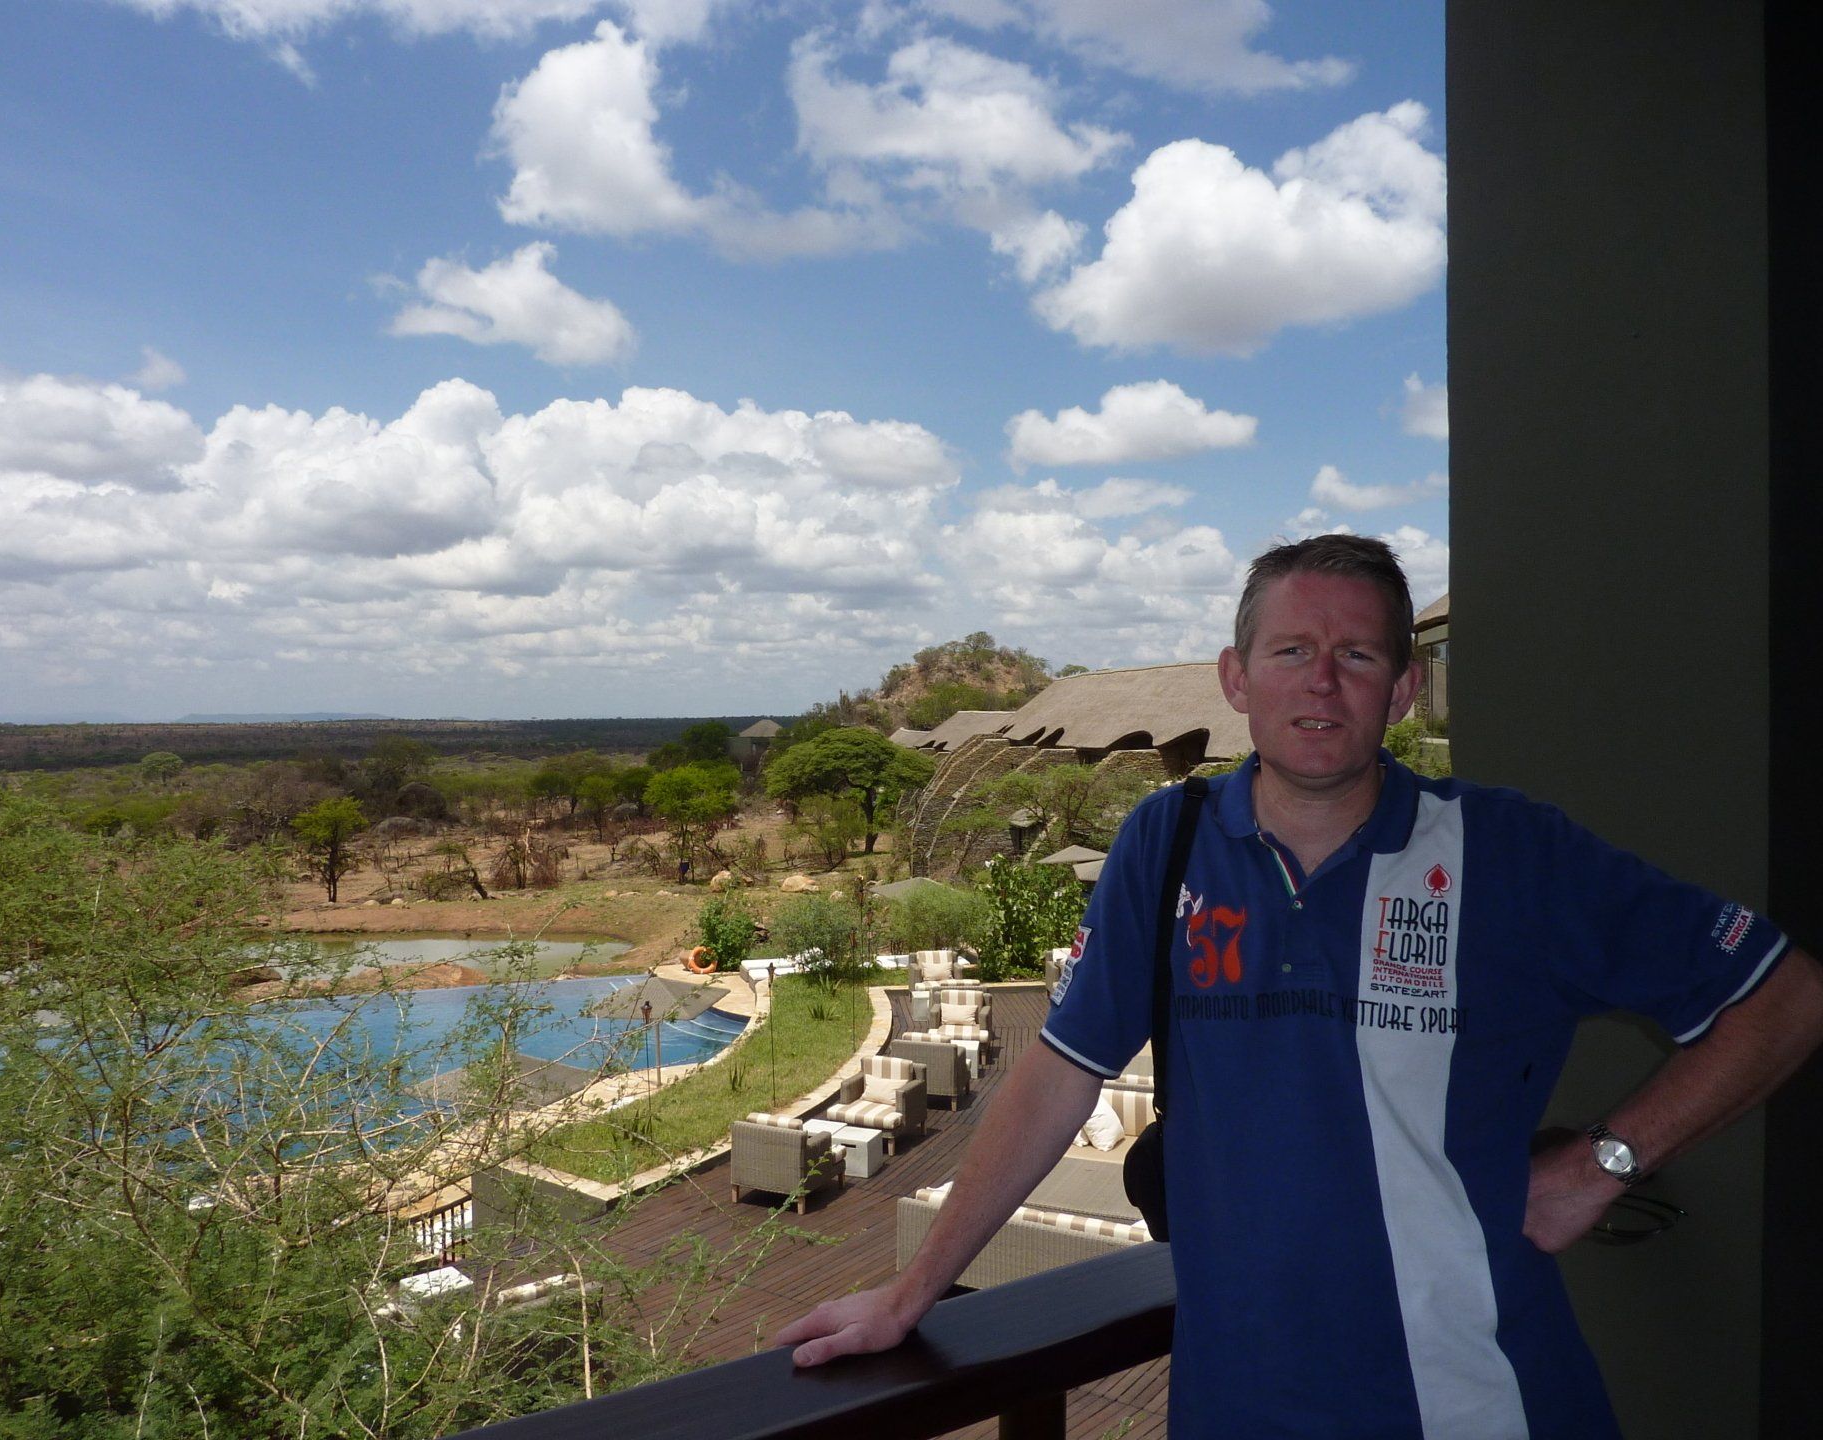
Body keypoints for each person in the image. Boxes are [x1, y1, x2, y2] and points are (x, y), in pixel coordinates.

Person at [776, 534, 1823, 1438]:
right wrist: (915, 1291)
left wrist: (1604, 1162)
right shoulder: (1167, 843)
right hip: (1239, 1410)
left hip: (1481, 1402)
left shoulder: (1511, 853)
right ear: (1237, 679)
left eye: (1356, 655)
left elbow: (1785, 996)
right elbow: (1059, 1074)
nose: (1321, 683)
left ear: (1402, 688)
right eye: (1292, 652)